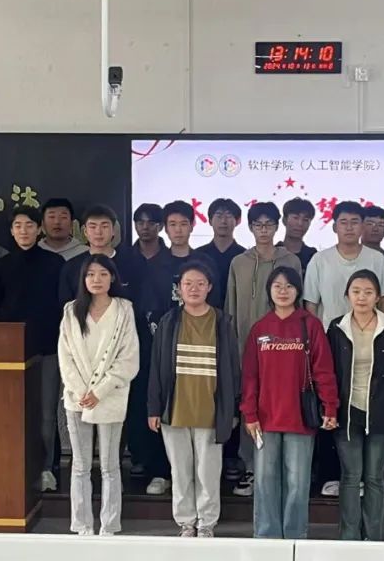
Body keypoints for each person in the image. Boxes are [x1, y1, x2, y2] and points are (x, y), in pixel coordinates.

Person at [303, 200, 384, 497]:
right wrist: (315, 345)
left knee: (370, 407)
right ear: (334, 226)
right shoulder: (320, 260)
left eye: (356, 221)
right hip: (331, 344)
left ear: (363, 226)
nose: (350, 227)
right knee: (332, 405)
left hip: (370, 344)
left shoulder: (377, 259)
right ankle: (331, 475)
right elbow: (311, 306)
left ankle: (367, 478)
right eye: (344, 222)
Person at [242, 266, 339, 538]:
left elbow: (323, 371)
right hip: (265, 419)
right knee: (265, 481)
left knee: (298, 482)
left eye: (289, 286)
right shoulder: (260, 328)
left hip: (300, 418)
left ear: (298, 291)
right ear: (269, 291)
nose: (283, 291)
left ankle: (295, 537)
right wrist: (249, 413)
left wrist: (330, 406)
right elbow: (249, 375)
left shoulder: (310, 325)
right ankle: (266, 537)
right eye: (277, 286)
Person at [147, 261, 240, 537]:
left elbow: (233, 369)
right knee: (180, 471)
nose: (194, 289)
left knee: (208, 472)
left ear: (209, 287)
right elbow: (156, 368)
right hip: (175, 409)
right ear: (179, 288)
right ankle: (186, 522)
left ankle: (207, 523)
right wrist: (154, 408)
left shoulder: (223, 322)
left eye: (200, 283)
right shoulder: (169, 321)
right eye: (188, 284)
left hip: (211, 410)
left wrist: (232, 409)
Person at [58, 254, 140, 536]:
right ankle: (82, 525)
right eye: (91, 274)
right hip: (77, 397)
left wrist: (100, 390)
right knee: (80, 465)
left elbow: (129, 359)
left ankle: (109, 525)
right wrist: (82, 391)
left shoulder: (124, 309)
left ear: (112, 277)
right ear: (83, 279)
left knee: (109, 465)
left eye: (103, 274)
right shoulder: (71, 311)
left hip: (110, 396)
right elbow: (65, 356)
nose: (96, 279)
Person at [327, 270, 384, 541]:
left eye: (368, 292)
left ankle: (373, 538)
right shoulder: (336, 328)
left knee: (375, 477)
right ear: (347, 295)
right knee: (351, 476)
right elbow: (328, 373)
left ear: (377, 297)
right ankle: (349, 537)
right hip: (348, 411)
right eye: (356, 291)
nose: (361, 297)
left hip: (381, 412)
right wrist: (329, 409)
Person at [0, 206, 65, 492]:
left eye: (29, 225)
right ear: (11, 231)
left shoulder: (55, 263)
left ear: (39, 229)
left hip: (47, 347)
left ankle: (46, 468)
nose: (24, 231)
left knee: (46, 413)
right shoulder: (2, 265)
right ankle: (16, 466)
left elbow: (63, 306)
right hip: (12, 352)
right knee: (13, 411)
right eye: (18, 226)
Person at [225, 201, 301, 496]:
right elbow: (230, 307)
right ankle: (251, 468)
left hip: (285, 348)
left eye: (269, 224)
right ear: (250, 227)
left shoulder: (291, 261)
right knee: (250, 404)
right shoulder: (239, 263)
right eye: (258, 225)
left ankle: (279, 471)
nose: (264, 230)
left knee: (282, 404)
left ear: (278, 226)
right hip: (247, 346)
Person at [126, 202, 172, 488]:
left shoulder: (173, 259)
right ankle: (139, 457)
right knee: (135, 399)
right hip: (130, 340)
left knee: (163, 399)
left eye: (151, 222)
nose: (145, 227)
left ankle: (161, 466)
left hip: (165, 340)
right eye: (140, 221)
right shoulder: (124, 259)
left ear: (160, 226)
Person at [59, 204, 139, 305]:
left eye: (104, 226)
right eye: (93, 227)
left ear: (113, 231)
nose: (98, 232)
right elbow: (66, 305)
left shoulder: (134, 263)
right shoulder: (72, 266)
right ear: (85, 232)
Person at [197, 198, 246, 309]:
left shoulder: (245, 256)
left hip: (236, 314)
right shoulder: (198, 256)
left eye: (228, 216)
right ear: (210, 221)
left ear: (238, 221)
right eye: (219, 216)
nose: (223, 221)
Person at [277, 198, 318, 272]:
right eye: (295, 218)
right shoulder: (272, 252)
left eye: (305, 220)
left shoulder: (313, 256)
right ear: (284, 220)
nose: (300, 223)